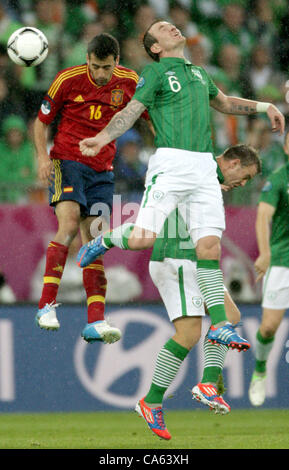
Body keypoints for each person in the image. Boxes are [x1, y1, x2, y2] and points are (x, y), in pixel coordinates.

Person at [77, 20, 284, 350]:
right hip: (172, 162)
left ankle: (219, 326)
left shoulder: (199, 74)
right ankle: (105, 240)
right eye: (162, 27)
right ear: (156, 48)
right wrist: (102, 138)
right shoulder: (155, 72)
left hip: (204, 164)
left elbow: (227, 103)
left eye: (171, 24)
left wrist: (264, 106)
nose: (171, 27)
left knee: (209, 249)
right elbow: (132, 111)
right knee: (144, 237)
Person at [136, 143, 262, 440]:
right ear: (232, 163)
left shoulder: (203, 175)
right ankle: (152, 400)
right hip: (175, 256)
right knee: (190, 333)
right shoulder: (195, 166)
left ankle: (205, 383)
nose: (243, 184)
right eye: (245, 176)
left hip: (190, 260)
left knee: (230, 314)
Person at [34, 33, 149, 344]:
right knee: (69, 225)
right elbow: (40, 121)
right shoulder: (67, 79)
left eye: (106, 68)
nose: (100, 74)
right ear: (87, 60)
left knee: (95, 242)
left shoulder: (129, 81)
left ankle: (95, 321)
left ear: (117, 63)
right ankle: (46, 305)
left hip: (102, 170)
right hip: (67, 161)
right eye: (95, 66)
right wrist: (42, 157)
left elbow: (148, 117)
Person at [249, 130, 289, 407]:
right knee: (268, 328)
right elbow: (263, 216)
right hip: (283, 261)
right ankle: (260, 369)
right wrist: (265, 253)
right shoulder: (278, 180)